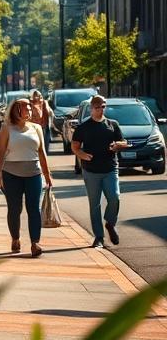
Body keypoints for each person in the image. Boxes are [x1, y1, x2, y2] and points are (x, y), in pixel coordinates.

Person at [0, 98, 53, 257]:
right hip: (11, 174)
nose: (29, 111)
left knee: (33, 209)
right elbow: (0, 153)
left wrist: (47, 175)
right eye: (25, 108)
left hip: (34, 173)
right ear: (16, 110)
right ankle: (15, 238)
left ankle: (35, 243)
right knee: (15, 209)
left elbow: (42, 153)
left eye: (29, 108)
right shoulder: (7, 128)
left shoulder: (36, 128)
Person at [71, 94, 126, 248]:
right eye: (97, 107)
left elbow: (122, 141)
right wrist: (82, 155)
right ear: (91, 109)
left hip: (110, 168)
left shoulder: (112, 124)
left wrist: (117, 146)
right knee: (94, 204)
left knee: (114, 197)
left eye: (103, 106)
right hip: (91, 171)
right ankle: (99, 237)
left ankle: (110, 223)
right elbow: (75, 146)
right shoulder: (84, 127)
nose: (101, 109)